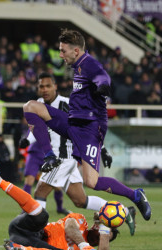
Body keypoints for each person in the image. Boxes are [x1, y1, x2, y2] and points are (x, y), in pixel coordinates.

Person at [22, 29, 151, 222]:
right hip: (73, 122)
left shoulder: (89, 64)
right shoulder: (78, 67)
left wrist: (103, 87)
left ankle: (135, 195)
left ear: (76, 51)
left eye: (63, 51)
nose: (60, 55)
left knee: (92, 182)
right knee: (31, 107)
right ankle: (49, 156)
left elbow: (102, 76)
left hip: (90, 129)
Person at [20, 72, 135, 235]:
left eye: (48, 86)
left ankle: (36, 233)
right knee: (80, 200)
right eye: (41, 86)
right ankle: (125, 210)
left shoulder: (67, 104)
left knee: (40, 192)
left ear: (55, 87)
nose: (44, 89)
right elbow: (37, 129)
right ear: (37, 88)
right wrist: (28, 140)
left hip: (63, 158)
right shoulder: (38, 105)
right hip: (62, 160)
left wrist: (101, 149)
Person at [0, 153, 119, 250]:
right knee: (42, 216)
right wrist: (84, 245)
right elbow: (70, 225)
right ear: (95, 225)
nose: (99, 237)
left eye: (102, 238)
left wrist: (105, 233)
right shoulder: (81, 221)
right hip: (29, 230)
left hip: (31, 247)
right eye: (100, 233)